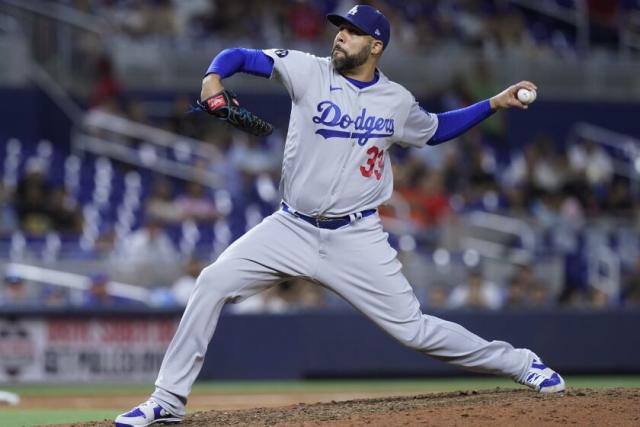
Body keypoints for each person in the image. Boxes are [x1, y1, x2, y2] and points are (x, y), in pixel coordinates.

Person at [115, 5, 564, 426]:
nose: (341, 37)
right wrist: (213, 76)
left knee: (414, 331)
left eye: (352, 32)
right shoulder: (308, 71)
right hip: (290, 227)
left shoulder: (396, 100)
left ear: (376, 46)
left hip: (356, 236)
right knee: (211, 282)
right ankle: (167, 402)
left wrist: (493, 104)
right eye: (340, 29)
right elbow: (241, 56)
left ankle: (522, 363)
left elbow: (435, 130)